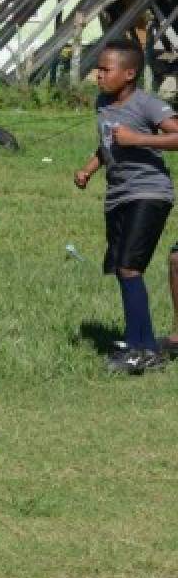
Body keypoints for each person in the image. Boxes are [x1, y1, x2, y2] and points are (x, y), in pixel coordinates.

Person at [74, 41, 178, 373]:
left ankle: (140, 349)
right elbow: (107, 143)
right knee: (122, 269)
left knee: (131, 268)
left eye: (106, 70)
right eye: (98, 69)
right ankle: (142, 343)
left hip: (149, 193)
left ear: (130, 73)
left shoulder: (147, 104)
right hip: (118, 195)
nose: (98, 75)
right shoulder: (103, 103)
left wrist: (139, 139)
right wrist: (90, 168)